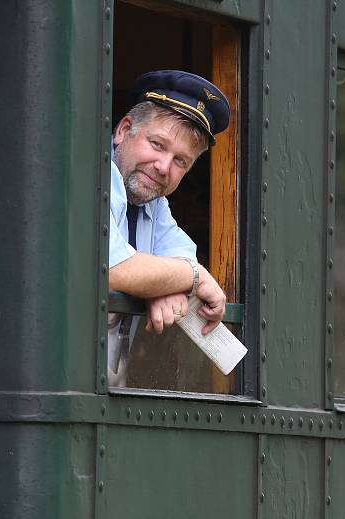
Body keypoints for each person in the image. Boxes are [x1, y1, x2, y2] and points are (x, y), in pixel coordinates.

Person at [108, 70, 230, 386]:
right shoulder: (90, 171)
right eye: (157, 144)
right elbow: (112, 267)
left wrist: (164, 282)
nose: (164, 167)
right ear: (124, 130)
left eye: (181, 162)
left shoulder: (153, 201)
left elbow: (181, 253)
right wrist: (193, 278)